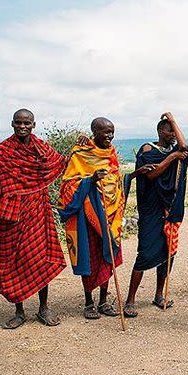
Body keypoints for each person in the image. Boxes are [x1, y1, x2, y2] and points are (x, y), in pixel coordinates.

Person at [0, 109, 68, 329]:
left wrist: (83, 147)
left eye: (27, 123)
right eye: (18, 123)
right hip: (9, 216)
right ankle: (19, 311)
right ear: (12, 124)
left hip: (37, 211)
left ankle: (43, 308)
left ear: (34, 125)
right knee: (11, 261)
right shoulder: (1, 152)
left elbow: (63, 163)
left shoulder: (42, 149)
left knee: (41, 259)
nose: (23, 126)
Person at [59, 117, 140, 320]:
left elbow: (115, 178)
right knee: (89, 256)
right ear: (94, 131)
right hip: (88, 216)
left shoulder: (111, 152)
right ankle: (88, 302)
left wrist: (132, 175)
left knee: (108, 256)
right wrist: (89, 181)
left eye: (112, 132)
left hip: (111, 215)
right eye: (105, 132)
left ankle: (104, 301)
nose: (110, 136)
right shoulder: (80, 153)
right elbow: (68, 185)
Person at [123, 113, 188, 317]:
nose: (173, 135)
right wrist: (171, 157)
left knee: (168, 254)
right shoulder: (147, 149)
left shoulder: (175, 150)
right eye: (169, 131)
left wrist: (173, 119)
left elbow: (184, 147)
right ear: (160, 131)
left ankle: (159, 295)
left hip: (170, 210)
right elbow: (151, 174)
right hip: (151, 210)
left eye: (174, 131)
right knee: (144, 253)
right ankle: (130, 300)